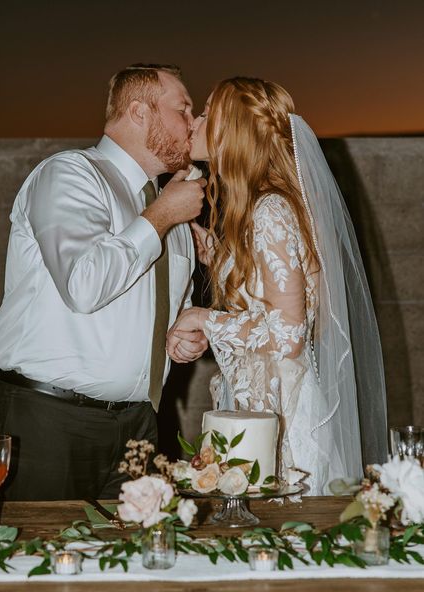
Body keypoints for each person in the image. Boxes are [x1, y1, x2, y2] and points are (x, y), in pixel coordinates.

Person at [0, 64, 208, 501]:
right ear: (140, 112)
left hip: (139, 422)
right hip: (51, 418)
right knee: (42, 559)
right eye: (183, 109)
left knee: (127, 564)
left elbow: (153, 310)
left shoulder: (170, 209)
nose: (192, 123)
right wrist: (160, 217)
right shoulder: (71, 175)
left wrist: (183, 336)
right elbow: (84, 285)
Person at [166, 77, 388, 495]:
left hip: (283, 415)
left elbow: (288, 334)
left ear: (232, 130)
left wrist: (200, 317)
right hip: (260, 406)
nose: (195, 121)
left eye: (207, 113)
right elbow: (269, 291)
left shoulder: (270, 210)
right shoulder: (263, 207)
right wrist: (218, 252)